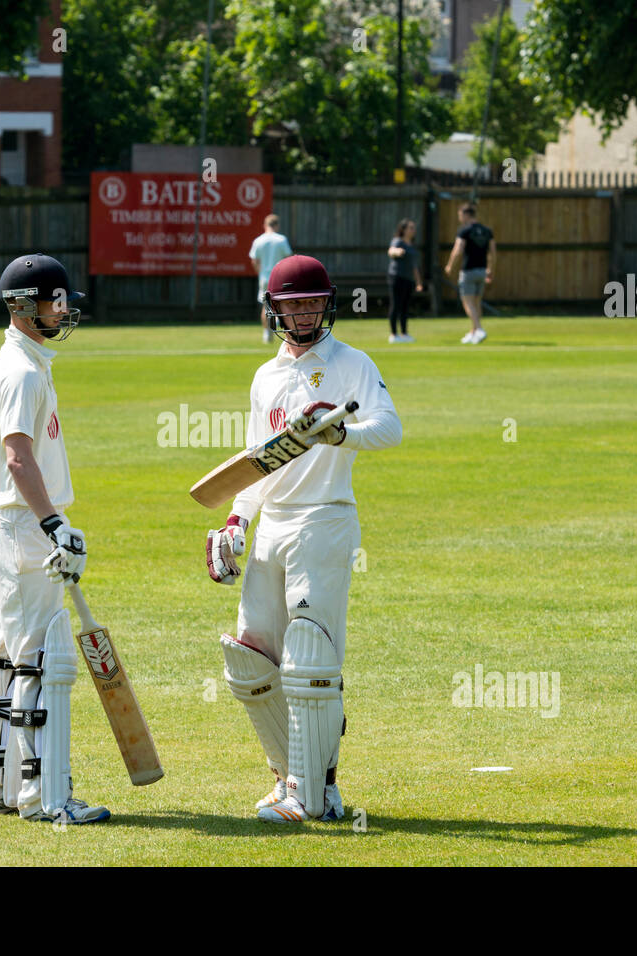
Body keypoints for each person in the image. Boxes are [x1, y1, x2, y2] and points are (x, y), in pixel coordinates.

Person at [205, 254, 402, 824]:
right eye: (295, 306)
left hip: (325, 517)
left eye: (314, 302)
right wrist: (237, 521)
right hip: (274, 523)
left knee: (310, 656)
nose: (307, 313)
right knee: (250, 657)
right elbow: (256, 462)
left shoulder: (351, 362)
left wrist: (340, 434)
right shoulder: (265, 377)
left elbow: (389, 428)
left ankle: (318, 792)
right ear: (275, 311)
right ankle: (288, 777)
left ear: (329, 304)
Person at [0, 253, 109, 825]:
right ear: (26, 307)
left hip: (9, 523)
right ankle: (42, 796)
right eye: (57, 300)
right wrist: (54, 523)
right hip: (25, 525)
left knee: (6, 653)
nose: (65, 308)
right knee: (36, 657)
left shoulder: (23, 360)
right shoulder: (22, 371)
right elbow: (17, 457)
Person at [443, 203, 496, 344]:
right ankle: (473, 332)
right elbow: (493, 252)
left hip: (468, 271)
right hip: (482, 271)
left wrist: (449, 266)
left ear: (466, 215)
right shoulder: (487, 231)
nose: (460, 218)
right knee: (477, 303)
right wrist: (491, 269)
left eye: (460, 215)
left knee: (467, 302)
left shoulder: (464, 231)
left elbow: (458, 250)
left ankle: (479, 329)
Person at [248, 214, 294, 344]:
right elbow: (289, 258)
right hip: (280, 277)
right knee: (283, 303)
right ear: (277, 225)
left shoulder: (258, 240)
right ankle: (281, 324)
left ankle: (267, 333)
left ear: (265, 225)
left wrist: (260, 273)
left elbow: (254, 260)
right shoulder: (281, 240)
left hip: (264, 277)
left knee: (266, 306)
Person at [386, 219, 423, 343]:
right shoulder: (398, 241)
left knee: (405, 307)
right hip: (396, 277)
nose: (413, 230)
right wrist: (397, 251)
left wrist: (418, 282)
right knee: (395, 305)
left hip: (408, 279)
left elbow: (414, 266)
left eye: (414, 228)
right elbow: (391, 251)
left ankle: (404, 333)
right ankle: (393, 334)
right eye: (411, 228)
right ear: (404, 229)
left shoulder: (411, 245)